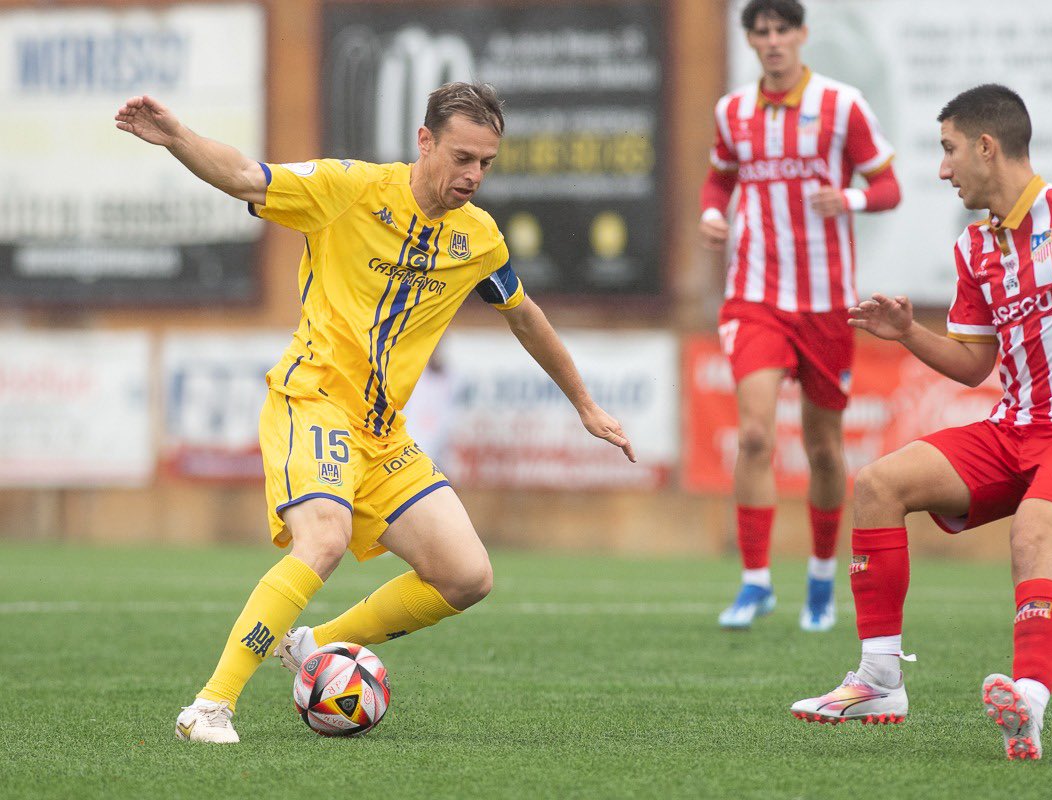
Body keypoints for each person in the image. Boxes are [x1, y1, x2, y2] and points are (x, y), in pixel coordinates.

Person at [115, 82, 636, 744]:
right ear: (425, 142)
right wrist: (180, 139)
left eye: (487, 163)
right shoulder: (347, 189)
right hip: (314, 401)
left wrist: (585, 405)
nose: (473, 175)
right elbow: (247, 175)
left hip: (383, 434)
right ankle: (211, 706)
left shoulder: (477, 238)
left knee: (467, 576)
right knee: (325, 539)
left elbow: (525, 316)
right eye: (462, 157)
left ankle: (314, 647)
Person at [789, 84, 1052, 761]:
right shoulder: (975, 249)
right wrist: (908, 333)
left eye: (948, 150)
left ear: (987, 146)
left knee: (1033, 534)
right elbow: (975, 365)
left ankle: (1028, 704)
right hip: (1014, 432)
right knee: (876, 485)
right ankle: (880, 679)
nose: (943, 169)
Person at [699, 0, 901, 632]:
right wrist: (712, 213)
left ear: (802, 36)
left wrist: (848, 197)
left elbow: (889, 186)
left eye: (783, 30)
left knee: (822, 448)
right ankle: (755, 581)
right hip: (755, 298)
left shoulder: (842, 105)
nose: (773, 41)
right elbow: (718, 181)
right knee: (756, 434)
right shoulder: (733, 111)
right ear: (751, 42)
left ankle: (819, 575)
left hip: (825, 305)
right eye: (761, 32)